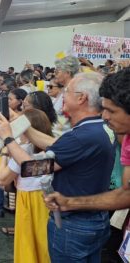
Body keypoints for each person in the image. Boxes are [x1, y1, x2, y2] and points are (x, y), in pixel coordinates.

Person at [0, 72, 115, 262]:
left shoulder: (80, 137)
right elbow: (55, 144)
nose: (61, 96)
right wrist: (23, 125)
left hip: (74, 224)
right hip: (93, 218)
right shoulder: (96, 129)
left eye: (66, 91)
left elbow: (32, 168)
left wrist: (8, 139)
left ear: (81, 98)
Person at [44, 68, 130, 211]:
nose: (105, 116)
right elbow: (126, 193)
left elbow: (35, 167)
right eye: (104, 109)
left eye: (112, 111)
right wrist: (69, 203)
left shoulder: (85, 135)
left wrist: (8, 140)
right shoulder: (126, 137)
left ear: (82, 97)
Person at [0, 109, 53, 262]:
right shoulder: (53, 147)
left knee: (28, 244)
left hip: (30, 201)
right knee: (45, 244)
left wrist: (4, 154)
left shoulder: (21, 150)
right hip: (49, 200)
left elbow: (2, 180)